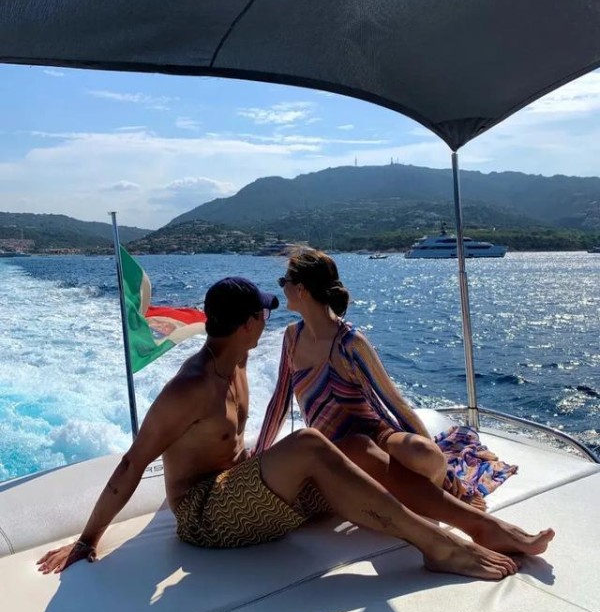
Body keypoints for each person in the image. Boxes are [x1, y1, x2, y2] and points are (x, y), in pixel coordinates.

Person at [38, 277, 552, 581]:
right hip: (204, 517)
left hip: (247, 495)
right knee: (309, 441)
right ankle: (436, 546)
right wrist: (86, 541)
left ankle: (479, 525)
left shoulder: (236, 362)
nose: (269, 320)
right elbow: (134, 462)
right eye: (262, 314)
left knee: (353, 444)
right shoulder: (190, 388)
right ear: (247, 325)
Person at [255, 248, 516, 509]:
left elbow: (396, 404)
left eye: (283, 281)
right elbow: (279, 403)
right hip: (330, 451)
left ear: (301, 289)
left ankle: (445, 493)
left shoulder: (350, 343)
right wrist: (257, 457)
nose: (282, 287)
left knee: (426, 455)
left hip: (376, 440)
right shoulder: (292, 337)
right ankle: (408, 492)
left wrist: (446, 470)